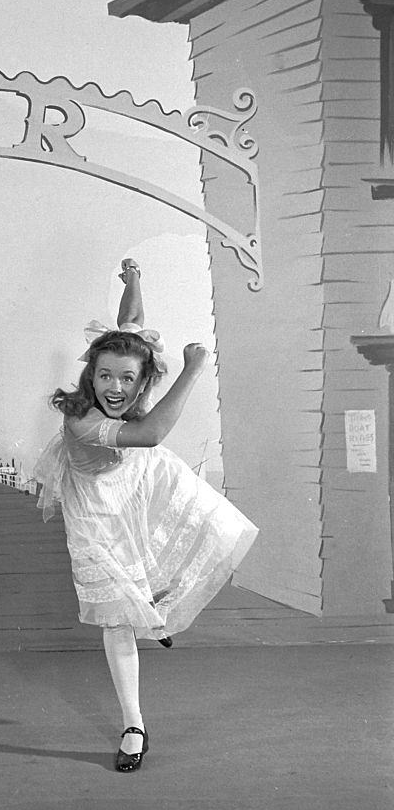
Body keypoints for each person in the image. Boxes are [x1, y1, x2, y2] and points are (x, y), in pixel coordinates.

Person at [34, 258, 258, 772]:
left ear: (141, 381)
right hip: (96, 515)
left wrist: (132, 281)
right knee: (116, 617)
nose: (115, 387)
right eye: (104, 376)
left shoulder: (128, 373)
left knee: (199, 522)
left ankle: (153, 608)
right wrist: (194, 368)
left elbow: (129, 323)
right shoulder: (83, 425)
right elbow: (151, 433)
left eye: (127, 379)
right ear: (90, 377)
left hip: (138, 478)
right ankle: (134, 724)